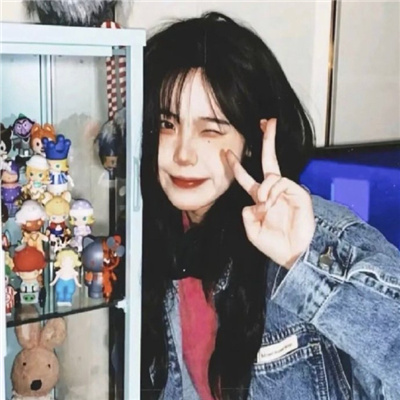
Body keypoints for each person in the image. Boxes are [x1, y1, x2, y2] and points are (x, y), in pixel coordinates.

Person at [140, 11, 400, 400]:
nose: (183, 154)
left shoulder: (302, 235)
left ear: (250, 139)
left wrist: (305, 265)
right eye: (167, 124)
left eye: (211, 129)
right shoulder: (157, 232)